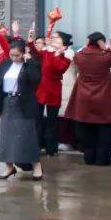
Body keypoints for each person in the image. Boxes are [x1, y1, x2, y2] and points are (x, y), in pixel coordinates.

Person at [65, 32, 111, 166]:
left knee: (86, 130)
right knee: (104, 130)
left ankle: (89, 158)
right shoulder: (105, 57)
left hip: (83, 97)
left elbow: (76, 59)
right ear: (101, 43)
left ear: (88, 42)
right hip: (103, 97)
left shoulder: (80, 56)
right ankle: (102, 159)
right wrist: (107, 48)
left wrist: (86, 46)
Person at [0, 39, 44, 180]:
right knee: (6, 135)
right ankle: (9, 166)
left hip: (23, 102)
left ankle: (36, 165)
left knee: (27, 135)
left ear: (23, 53)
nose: (14, 58)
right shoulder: (6, 64)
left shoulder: (29, 65)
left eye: (17, 55)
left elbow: (35, 80)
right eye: (11, 55)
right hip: (7, 101)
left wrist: (29, 61)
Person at [25, 27, 72, 157]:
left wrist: (57, 53)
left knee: (52, 121)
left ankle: (51, 149)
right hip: (41, 89)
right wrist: (30, 41)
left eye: (57, 38)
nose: (53, 39)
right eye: (54, 37)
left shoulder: (66, 57)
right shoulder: (46, 53)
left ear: (63, 43)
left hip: (54, 90)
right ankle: (37, 146)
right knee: (37, 119)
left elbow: (58, 68)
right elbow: (35, 52)